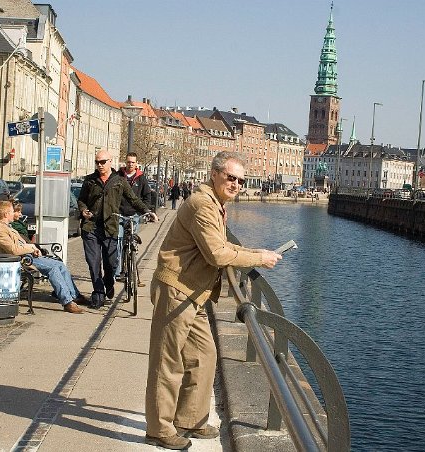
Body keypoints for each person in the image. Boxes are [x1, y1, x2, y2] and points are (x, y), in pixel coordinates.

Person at [144, 151, 282, 450]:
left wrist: (255, 251)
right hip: (178, 290)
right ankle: (158, 428)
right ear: (214, 174)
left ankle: (190, 419)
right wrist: (258, 258)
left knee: (204, 355)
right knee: (167, 362)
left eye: (240, 180)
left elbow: (221, 244)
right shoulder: (202, 205)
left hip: (195, 292)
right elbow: (217, 254)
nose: (236, 184)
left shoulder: (216, 204)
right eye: (231, 177)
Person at [77, 150, 157, 309]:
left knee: (112, 263)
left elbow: (133, 200)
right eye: (97, 162)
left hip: (110, 226)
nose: (99, 165)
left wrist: (147, 212)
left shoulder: (119, 181)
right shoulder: (90, 180)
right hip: (91, 227)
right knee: (93, 263)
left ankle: (109, 282)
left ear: (110, 162)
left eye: (103, 162)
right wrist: (83, 210)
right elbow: (81, 200)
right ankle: (98, 294)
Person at [0, 201, 87, 313]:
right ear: (6, 214)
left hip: (26, 256)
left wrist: (33, 250)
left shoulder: (6, 227)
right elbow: (14, 250)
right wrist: (32, 248)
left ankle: (74, 295)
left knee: (59, 265)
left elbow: (20, 245)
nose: (15, 214)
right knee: (53, 268)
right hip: (19, 260)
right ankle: (67, 302)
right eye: (12, 212)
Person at [115, 152, 152, 279]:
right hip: (120, 213)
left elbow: (147, 196)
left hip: (134, 214)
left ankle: (132, 259)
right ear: (126, 162)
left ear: (136, 164)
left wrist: (144, 211)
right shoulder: (119, 175)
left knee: (131, 239)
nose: (130, 164)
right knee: (118, 241)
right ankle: (118, 272)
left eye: (133, 162)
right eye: (128, 162)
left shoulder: (141, 178)